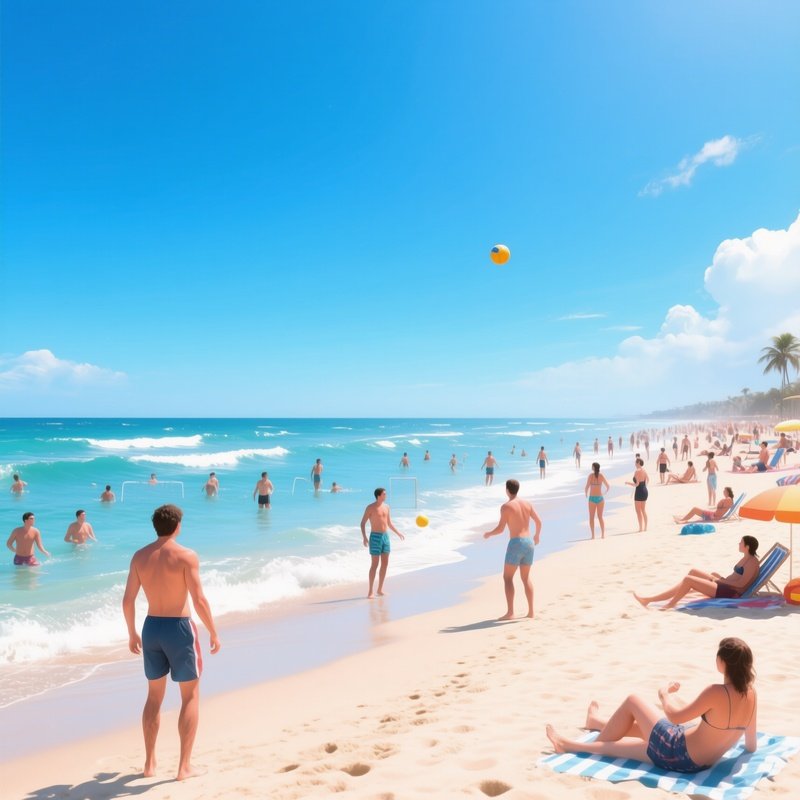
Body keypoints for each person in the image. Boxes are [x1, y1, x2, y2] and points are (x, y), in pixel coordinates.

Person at [546, 638, 757, 773]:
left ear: (722, 662)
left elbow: (675, 716)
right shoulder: (752, 695)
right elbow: (751, 745)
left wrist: (665, 694)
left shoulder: (716, 692)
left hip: (675, 751)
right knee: (640, 730)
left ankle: (575, 745)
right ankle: (596, 722)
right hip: (699, 762)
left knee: (633, 700)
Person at [122, 504, 220, 781]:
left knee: (154, 697)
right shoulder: (186, 556)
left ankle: (150, 764)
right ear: (177, 526)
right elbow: (199, 600)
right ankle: (183, 767)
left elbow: (128, 600)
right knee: (189, 696)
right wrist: (213, 631)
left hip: (151, 627)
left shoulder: (140, 557)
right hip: (179, 628)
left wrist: (132, 633)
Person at [634, 536, 759, 608]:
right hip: (725, 584)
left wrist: (720, 581)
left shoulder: (752, 562)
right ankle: (652, 599)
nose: (739, 543)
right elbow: (737, 577)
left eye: (741, 542)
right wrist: (720, 578)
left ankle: (669, 604)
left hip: (730, 592)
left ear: (747, 546)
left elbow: (741, 585)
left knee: (688, 580)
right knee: (693, 572)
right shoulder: (746, 558)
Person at [483, 479, 542, 619]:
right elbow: (539, 521)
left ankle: (510, 613)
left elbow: (501, 529)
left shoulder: (506, 506)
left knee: (508, 577)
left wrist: (489, 534)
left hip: (516, 543)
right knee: (526, 578)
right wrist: (537, 536)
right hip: (529, 542)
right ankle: (531, 612)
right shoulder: (527, 504)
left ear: (507, 490)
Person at [359, 488, 405, 598]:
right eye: (384, 494)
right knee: (374, 565)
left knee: (385, 564)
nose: (386, 495)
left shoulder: (387, 507)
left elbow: (389, 523)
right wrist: (365, 537)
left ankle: (379, 589)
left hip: (386, 537)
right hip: (375, 537)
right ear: (378, 496)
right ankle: (370, 591)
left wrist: (398, 532)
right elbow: (362, 523)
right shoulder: (370, 508)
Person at [584, 462, 610, 539]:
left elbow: (587, 487)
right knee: (600, 517)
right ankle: (602, 534)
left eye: (592, 466)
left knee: (591, 517)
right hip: (600, 498)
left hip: (592, 499)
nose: (591, 467)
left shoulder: (590, 476)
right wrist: (603, 493)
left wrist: (586, 494)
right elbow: (608, 486)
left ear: (594, 467)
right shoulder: (601, 476)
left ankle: (593, 536)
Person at [625, 458, 649, 532]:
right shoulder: (644, 471)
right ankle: (645, 527)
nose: (635, 464)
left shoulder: (637, 472)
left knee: (638, 511)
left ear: (638, 463)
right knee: (643, 510)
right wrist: (644, 486)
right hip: (644, 490)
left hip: (639, 491)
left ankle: (640, 528)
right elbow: (648, 479)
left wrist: (628, 483)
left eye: (635, 462)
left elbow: (636, 484)